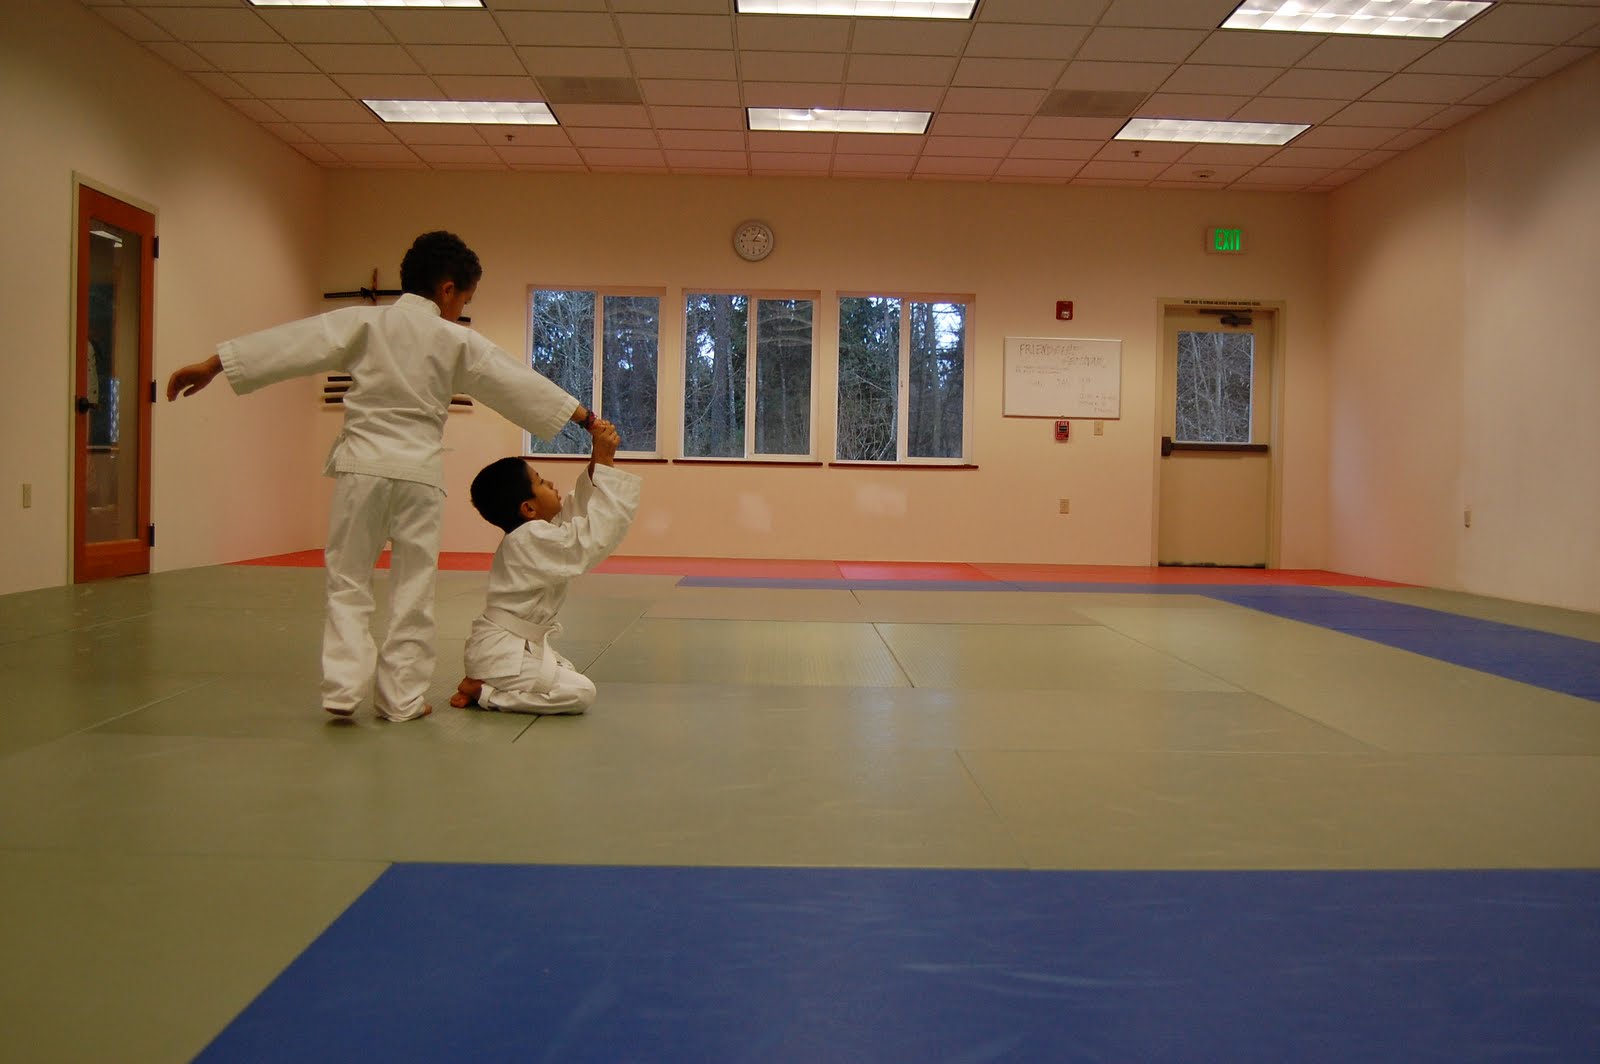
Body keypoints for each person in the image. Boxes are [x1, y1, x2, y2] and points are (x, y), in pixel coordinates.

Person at [166, 230, 600, 722]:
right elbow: (514, 381)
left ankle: (342, 688)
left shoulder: (363, 322)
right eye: (465, 300)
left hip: (362, 469)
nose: (461, 310)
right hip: (420, 478)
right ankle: (401, 699)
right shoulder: (456, 340)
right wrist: (585, 419)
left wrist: (213, 365)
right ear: (447, 289)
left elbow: (291, 344)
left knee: (348, 581)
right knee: (413, 591)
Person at [449, 419, 640, 715]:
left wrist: (599, 460)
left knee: (568, 674)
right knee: (580, 693)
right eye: (540, 482)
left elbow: (576, 515)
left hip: (507, 647)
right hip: (500, 651)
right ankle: (484, 690)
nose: (550, 484)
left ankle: (486, 681)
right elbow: (585, 542)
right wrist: (603, 461)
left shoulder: (533, 533)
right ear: (528, 508)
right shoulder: (528, 538)